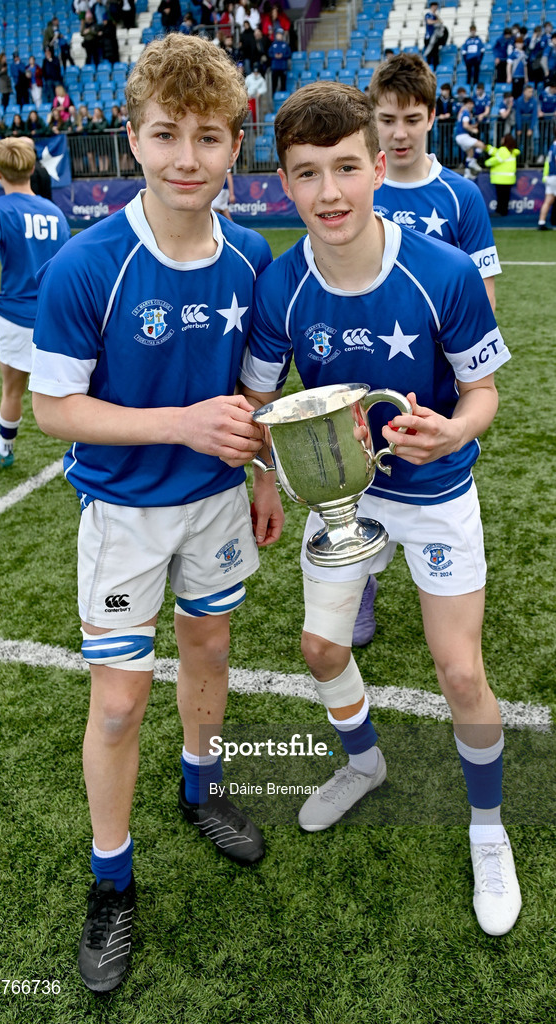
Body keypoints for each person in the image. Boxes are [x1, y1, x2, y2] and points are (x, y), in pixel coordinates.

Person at [239, 79, 521, 940]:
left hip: (433, 495)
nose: (329, 193)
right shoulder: (281, 285)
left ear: (378, 161)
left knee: (459, 672)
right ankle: (362, 765)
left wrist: (454, 430)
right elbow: (258, 402)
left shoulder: (438, 272)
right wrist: (261, 480)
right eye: (307, 174)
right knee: (320, 648)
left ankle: (486, 826)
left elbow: (484, 393)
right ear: (282, 183)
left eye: (346, 168)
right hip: (340, 502)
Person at [28, 32, 279, 994]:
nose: (187, 159)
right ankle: (111, 881)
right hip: (125, 517)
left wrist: (261, 476)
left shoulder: (254, 256)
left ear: (232, 146)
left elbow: (256, 394)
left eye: (208, 138)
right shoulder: (89, 265)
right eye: (166, 134)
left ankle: (202, 785)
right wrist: (177, 421)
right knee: (120, 699)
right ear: (131, 138)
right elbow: (54, 410)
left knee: (210, 651)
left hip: (217, 507)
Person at [358, 54, 502, 645]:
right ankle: (361, 574)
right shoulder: (358, 182)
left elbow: (483, 296)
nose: (398, 133)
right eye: (387, 119)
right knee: (360, 477)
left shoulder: (460, 195)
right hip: (360, 365)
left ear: (433, 117)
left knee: (426, 467)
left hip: (435, 381)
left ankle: (438, 571)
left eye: (411, 119)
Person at [0, 137, 70, 468]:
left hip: (16, 316)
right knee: (74, 392)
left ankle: (5, 449)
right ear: (33, 167)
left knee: (13, 390)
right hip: (56, 317)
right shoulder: (55, 212)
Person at [475, 133, 520, 216]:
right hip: (509, 179)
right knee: (505, 197)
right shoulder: (512, 151)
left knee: (501, 197)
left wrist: (486, 163)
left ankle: (500, 211)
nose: (501, 139)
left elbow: (496, 159)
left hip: (500, 178)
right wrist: (487, 148)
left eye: (503, 138)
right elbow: (496, 152)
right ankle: (504, 211)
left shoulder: (503, 150)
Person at [515, 83, 539, 163]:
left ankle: (526, 160)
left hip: (529, 124)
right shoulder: (519, 100)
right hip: (521, 124)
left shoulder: (534, 101)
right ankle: (518, 159)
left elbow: (534, 115)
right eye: (529, 92)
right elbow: (518, 114)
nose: (531, 93)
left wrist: (531, 128)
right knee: (518, 142)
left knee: (528, 143)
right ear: (524, 92)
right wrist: (519, 128)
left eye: (532, 92)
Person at [538, 129, 556, 227]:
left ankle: (541, 222)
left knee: (548, 201)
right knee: (548, 201)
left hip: (550, 176)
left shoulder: (552, 146)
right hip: (555, 176)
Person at [269, 28, 291, 94]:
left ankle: (283, 97)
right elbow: (269, 53)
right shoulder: (273, 44)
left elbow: (289, 54)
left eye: (280, 34)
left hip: (283, 67)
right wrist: (274, 56)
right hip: (275, 67)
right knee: (274, 84)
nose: (279, 36)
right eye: (278, 34)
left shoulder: (285, 45)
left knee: (283, 84)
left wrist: (282, 56)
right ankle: (274, 98)